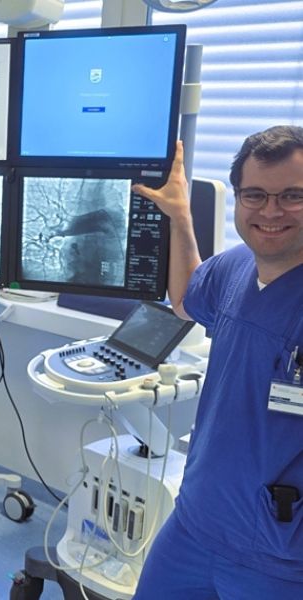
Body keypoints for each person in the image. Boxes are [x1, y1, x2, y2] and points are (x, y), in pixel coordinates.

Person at [132, 129, 303, 598]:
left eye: (293, 196)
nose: (271, 211)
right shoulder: (234, 267)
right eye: (255, 195)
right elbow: (187, 298)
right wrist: (179, 216)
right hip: (195, 524)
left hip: (281, 557)